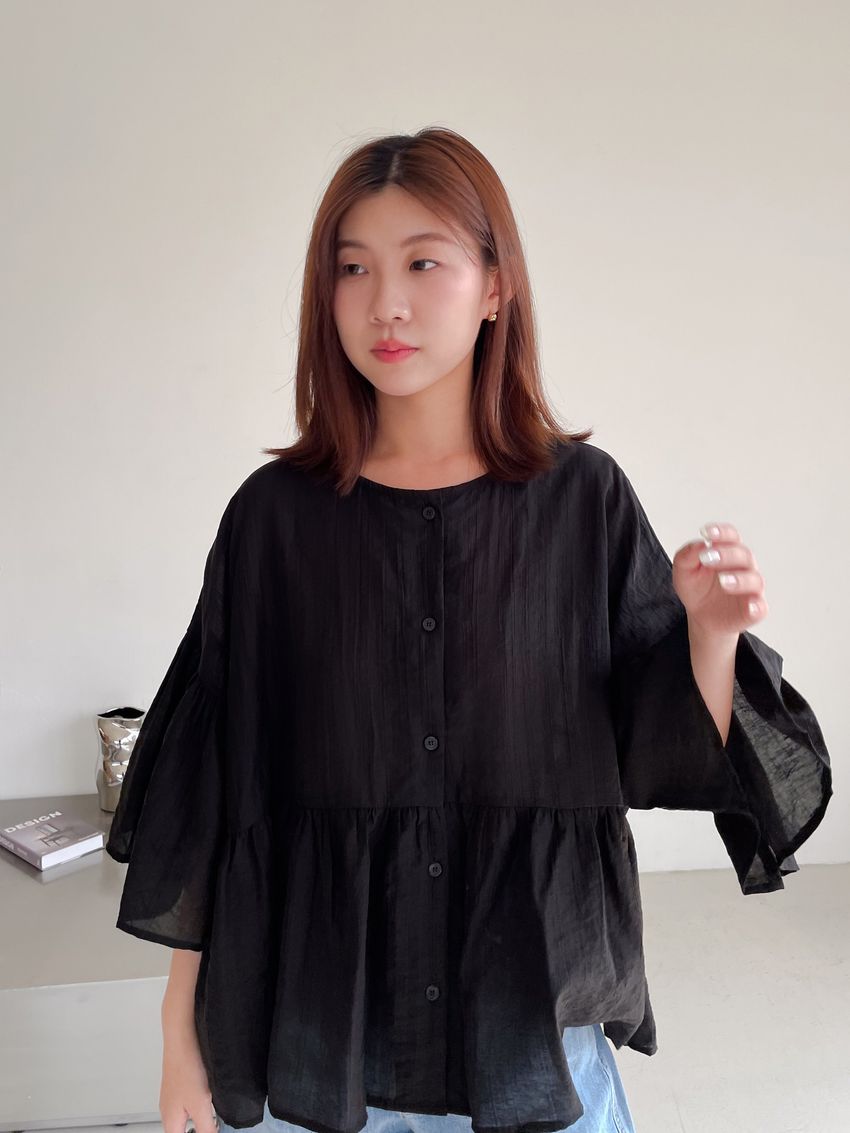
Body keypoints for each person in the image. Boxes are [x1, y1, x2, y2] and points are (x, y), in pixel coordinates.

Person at [105, 127, 832, 1133]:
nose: (384, 303)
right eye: (352, 268)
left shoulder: (582, 499)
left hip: (531, 1029)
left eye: (422, 263)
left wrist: (706, 635)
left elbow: (655, 751)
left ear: (495, 286)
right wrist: (177, 1027)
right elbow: (216, 789)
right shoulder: (273, 520)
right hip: (321, 1040)